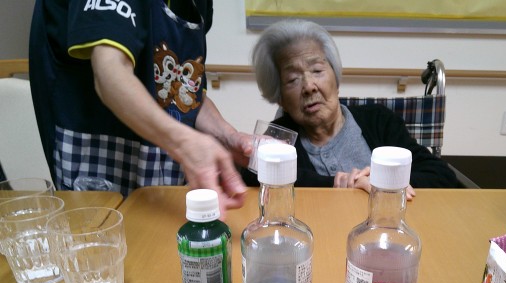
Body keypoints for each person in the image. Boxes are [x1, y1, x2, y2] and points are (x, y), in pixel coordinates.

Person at [29, 0, 250, 215]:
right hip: (97, 163)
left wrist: (227, 136)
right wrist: (185, 143)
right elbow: (110, 73)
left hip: (161, 172)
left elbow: (183, 93)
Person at [241, 19, 460, 196]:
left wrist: (384, 181)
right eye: (292, 79)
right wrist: (339, 184)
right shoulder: (279, 138)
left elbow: (442, 176)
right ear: (280, 98)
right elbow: (252, 177)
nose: (309, 86)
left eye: (317, 71)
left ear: (336, 78)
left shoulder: (379, 120)